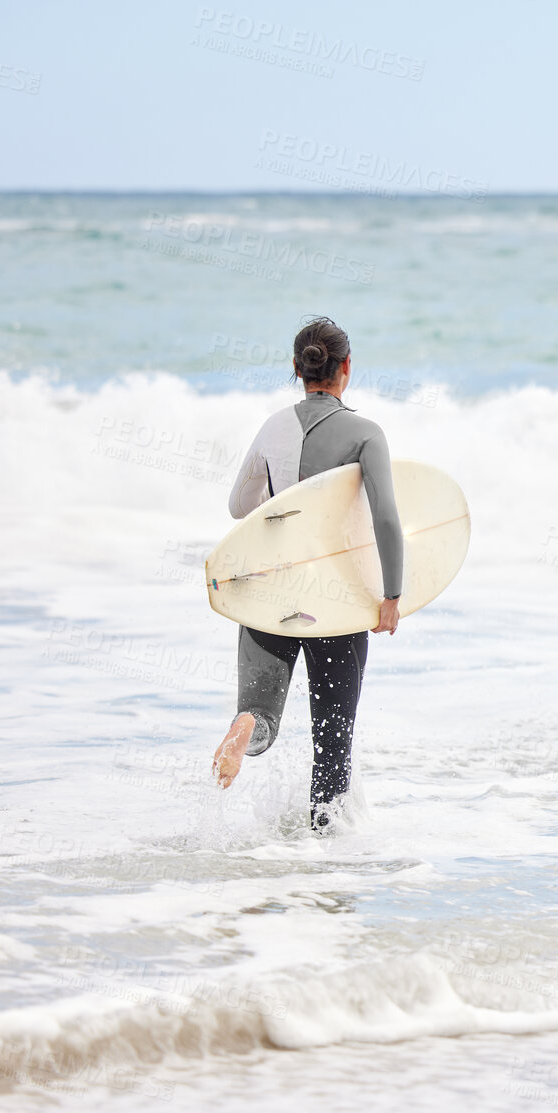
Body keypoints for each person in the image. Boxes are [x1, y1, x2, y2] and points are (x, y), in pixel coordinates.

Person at [210, 317, 403, 830]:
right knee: (332, 741)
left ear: (297, 368)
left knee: (262, 716)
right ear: (345, 370)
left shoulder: (272, 426)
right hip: (334, 601)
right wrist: (392, 595)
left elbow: (238, 507)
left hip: (270, 592)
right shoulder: (366, 433)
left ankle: (244, 728)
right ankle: (323, 862)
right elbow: (385, 516)